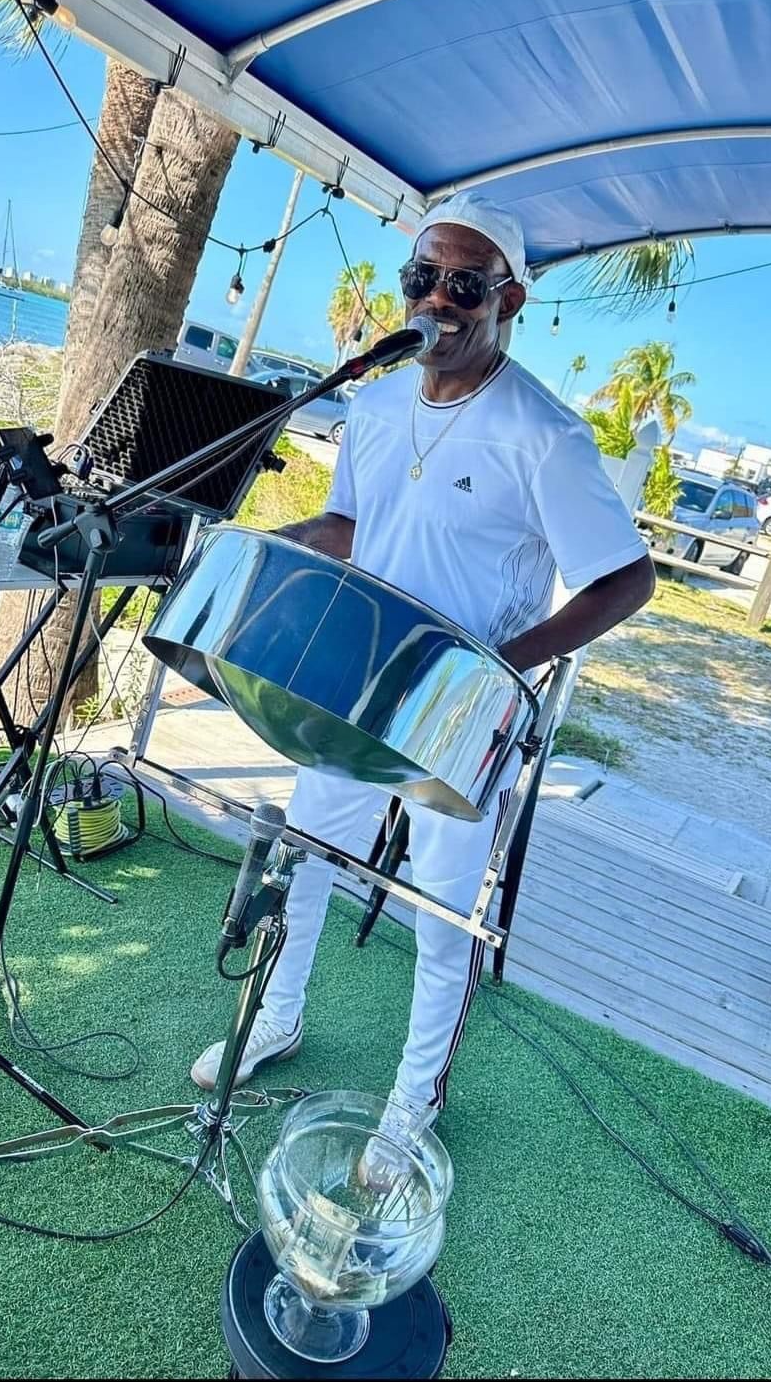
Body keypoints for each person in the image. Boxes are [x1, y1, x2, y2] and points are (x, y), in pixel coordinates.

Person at [191, 192, 655, 1125]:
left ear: (509, 301)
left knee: (442, 913)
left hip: (460, 706)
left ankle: (412, 1102)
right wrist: (253, 548)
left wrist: (501, 664)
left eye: (465, 284)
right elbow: (347, 524)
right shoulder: (374, 401)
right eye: (422, 277)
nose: (438, 299)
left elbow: (625, 580)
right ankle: (276, 1016)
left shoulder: (545, 435)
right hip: (358, 680)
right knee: (310, 856)